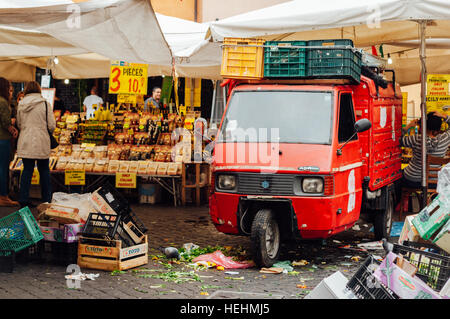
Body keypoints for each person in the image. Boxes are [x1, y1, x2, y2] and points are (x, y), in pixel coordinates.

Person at [16, 81, 56, 208]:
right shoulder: (44, 103)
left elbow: (19, 123)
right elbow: (51, 125)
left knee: (27, 170)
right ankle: (46, 200)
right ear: (39, 90)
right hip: (41, 140)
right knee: (44, 170)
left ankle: (23, 199)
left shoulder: (21, 104)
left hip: (26, 140)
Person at [399, 111, 450, 189]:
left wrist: (409, 126)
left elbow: (397, 140)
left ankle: (404, 200)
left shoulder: (417, 138)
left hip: (412, 179)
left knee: (397, 177)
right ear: (440, 127)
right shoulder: (445, 139)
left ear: (424, 125)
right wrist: (444, 116)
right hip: (434, 181)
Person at [0, 77, 19, 206]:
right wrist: (13, 130)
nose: (10, 92)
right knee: (3, 168)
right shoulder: (3, 102)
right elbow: (5, 121)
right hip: (3, 139)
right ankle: (3, 196)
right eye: (9, 89)